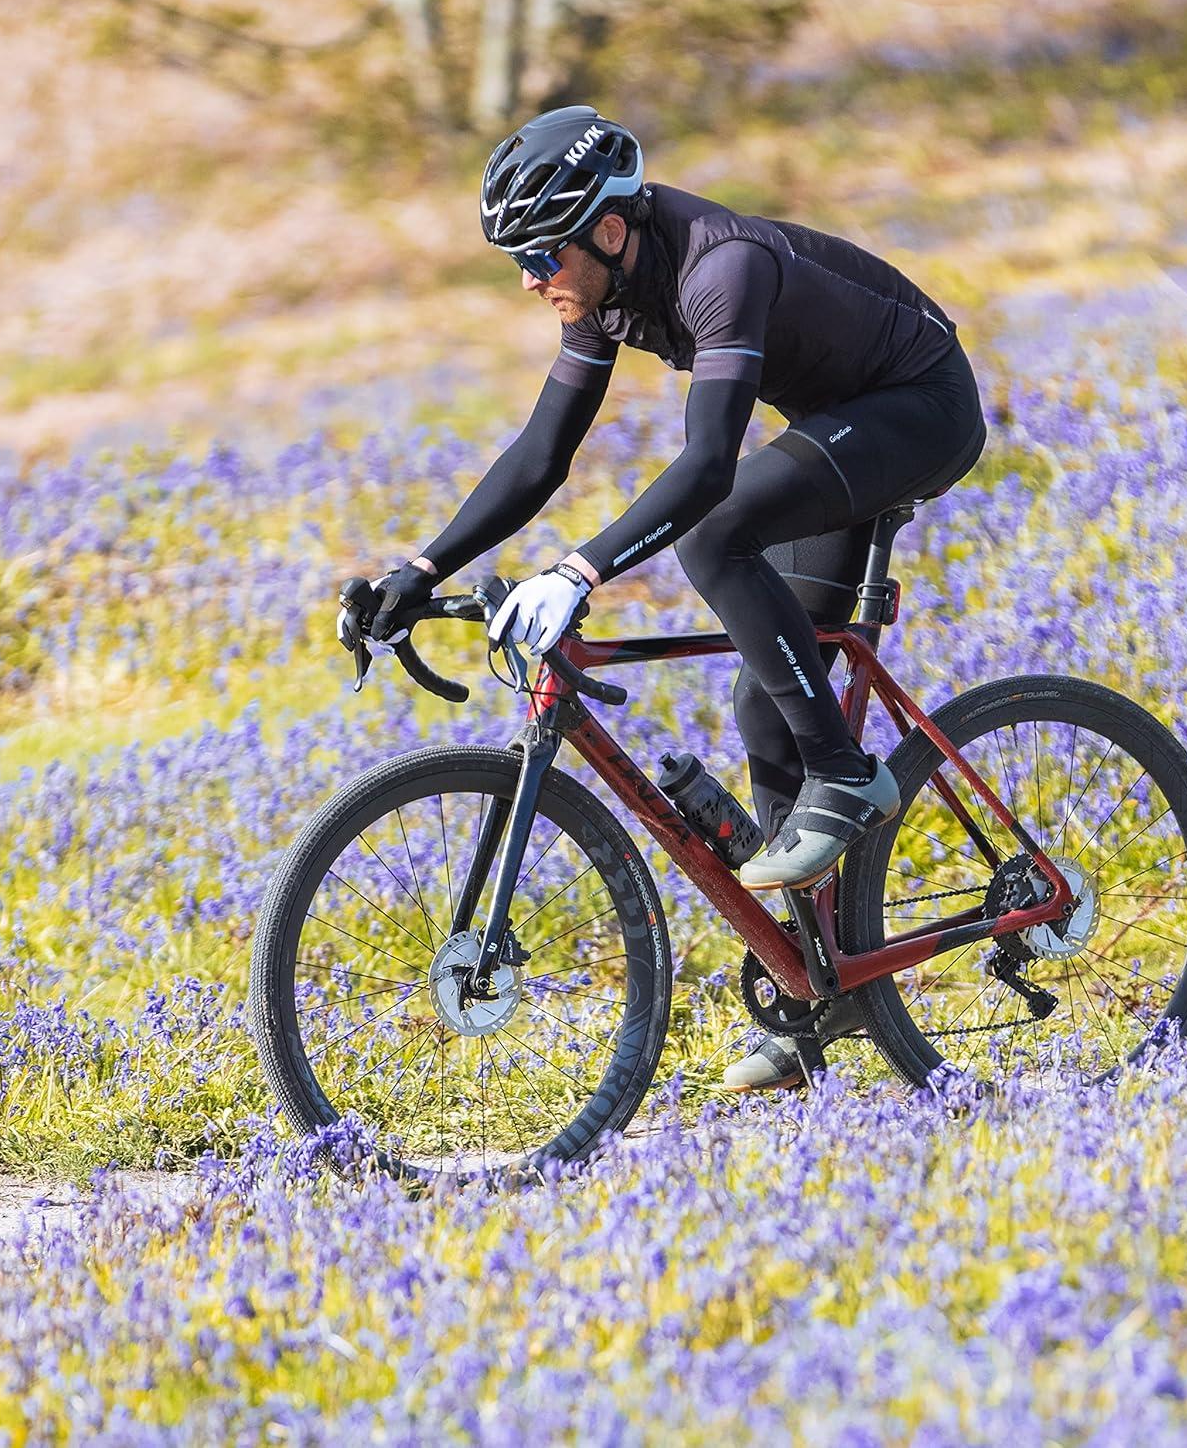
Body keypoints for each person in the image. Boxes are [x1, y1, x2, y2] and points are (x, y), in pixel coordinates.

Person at [349, 105, 987, 1092]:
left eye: (540, 253)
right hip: (838, 418)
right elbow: (542, 454)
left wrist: (577, 572)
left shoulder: (717, 267)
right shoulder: (602, 289)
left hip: (919, 405)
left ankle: (848, 778)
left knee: (716, 534)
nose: (529, 279)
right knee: (761, 701)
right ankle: (824, 989)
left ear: (609, 229)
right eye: (518, 259)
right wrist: (421, 570)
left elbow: (705, 469)